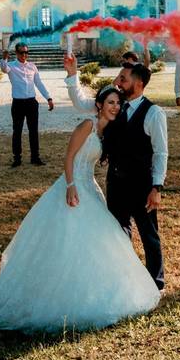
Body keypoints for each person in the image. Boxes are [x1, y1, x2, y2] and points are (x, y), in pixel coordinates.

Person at [0, 86, 160, 333]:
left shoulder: (106, 132)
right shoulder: (87, 126)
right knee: (66, 239)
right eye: (110, 102)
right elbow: (68, 158)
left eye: (118, 104)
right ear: (99, 105)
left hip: (90, 187)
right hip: (72, 186)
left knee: (98, 241)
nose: (115, 107)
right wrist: (70, 185)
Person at [64, 54, 169, 290]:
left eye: (123, 78)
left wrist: (157, 187)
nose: (118, 82)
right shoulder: (115, 105)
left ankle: (157, 283)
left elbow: (161, 153)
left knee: (149, 234)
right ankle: (125, 278)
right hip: (116, 184)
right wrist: (72, 75)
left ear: (138, 83)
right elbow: (81, 103)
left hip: (142, 185)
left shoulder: (154, 113)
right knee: (118, 235)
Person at [1, 44, 54, 167]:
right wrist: (4, 58)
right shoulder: (11, 66)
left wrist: (49, 98)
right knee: (17, 131)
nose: (24, 55)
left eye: (26, 52)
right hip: (18, 103)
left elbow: (39, 83)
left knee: (33, 131)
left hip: (31, 102)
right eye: (21, 52)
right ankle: (17, 158)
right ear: (17, 53)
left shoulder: (32, 66)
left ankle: (35, 157)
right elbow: (4, 69)